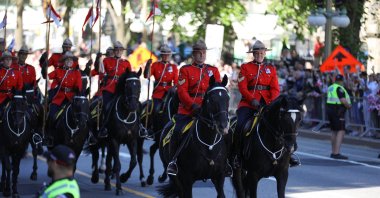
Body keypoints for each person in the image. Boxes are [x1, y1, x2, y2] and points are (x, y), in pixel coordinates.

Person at [233, 40, 298, 167]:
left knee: (283, 125)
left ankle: (287, 155)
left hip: (267, 104)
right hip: (249, 103)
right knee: (240, 125)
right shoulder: (245, 67)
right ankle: (237, 156)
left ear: (264, 53)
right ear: (253, 53)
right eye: (257, 53)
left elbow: (275, 88)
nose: (259, 55)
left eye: (261, 52)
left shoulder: (270, 69)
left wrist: (271, 102)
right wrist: (252, 100)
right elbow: (242, 87)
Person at [166, 40, 221, 176]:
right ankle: (173, 162)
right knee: (177, 131)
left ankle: (226, 163)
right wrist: (192, 105)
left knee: (225, 132)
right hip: (188, 109)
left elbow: (218, 90)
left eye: (204, 52)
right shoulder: (185, 70)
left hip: (208, 111)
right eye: (199, 52)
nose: (202, 55)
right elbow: (182, 91)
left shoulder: (213, 70)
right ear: (194, 54)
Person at [97, 41, 148, 138]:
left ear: (122, 52)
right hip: (110, 88)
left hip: (122, 89)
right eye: (116, 50)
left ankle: (140, 126)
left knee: (136, 104)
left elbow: (130, 75)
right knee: (106, 106)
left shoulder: (126, 62)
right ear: (114, 51)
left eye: (120, 50)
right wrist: (99, 60)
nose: (118, 52)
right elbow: (101, 72)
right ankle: (104, 127)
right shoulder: (107, 61)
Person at [41, 52, 83, 146]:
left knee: (82, 113)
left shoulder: (76, 73)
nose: (69, 61)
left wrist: (77, 89)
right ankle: (49, 135)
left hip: (71, 98)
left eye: (71, 60)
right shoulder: (58, 71)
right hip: (59, 97)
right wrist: (44, 67)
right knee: (51, 115)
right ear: (64, 61)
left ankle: (85, 134)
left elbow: (79, 85)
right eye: (67, 60)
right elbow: (46, 77)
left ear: (73, 62)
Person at [143, 44, 178, 132]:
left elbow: (177, 81)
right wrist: (147, 66)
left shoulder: (173, 67)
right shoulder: (155, 65)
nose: (166, 56)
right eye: (164, 54)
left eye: (168, 54)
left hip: (170, 93)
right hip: (158, 93)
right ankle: (153, 128)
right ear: (161, 55)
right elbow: (146, 76)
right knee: (155, 109)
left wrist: (174, 87)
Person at [326, 74, 351, 159]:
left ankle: (333, 152)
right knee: (341, 130)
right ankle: (336, 153)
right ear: (341, 81)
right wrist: (349, 106)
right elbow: (343, 100)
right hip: (338, 111)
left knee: (334, 131)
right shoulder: (339, 88)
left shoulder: (331, 87)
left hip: (330, 109)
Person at [0, 51, 23, 118]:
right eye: (6, 59)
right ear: (2, 61)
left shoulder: (17, 73)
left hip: (13, 97)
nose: (8, 61)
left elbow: (20, 86)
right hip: (1, 97)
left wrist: (16, 93)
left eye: (10, 59)